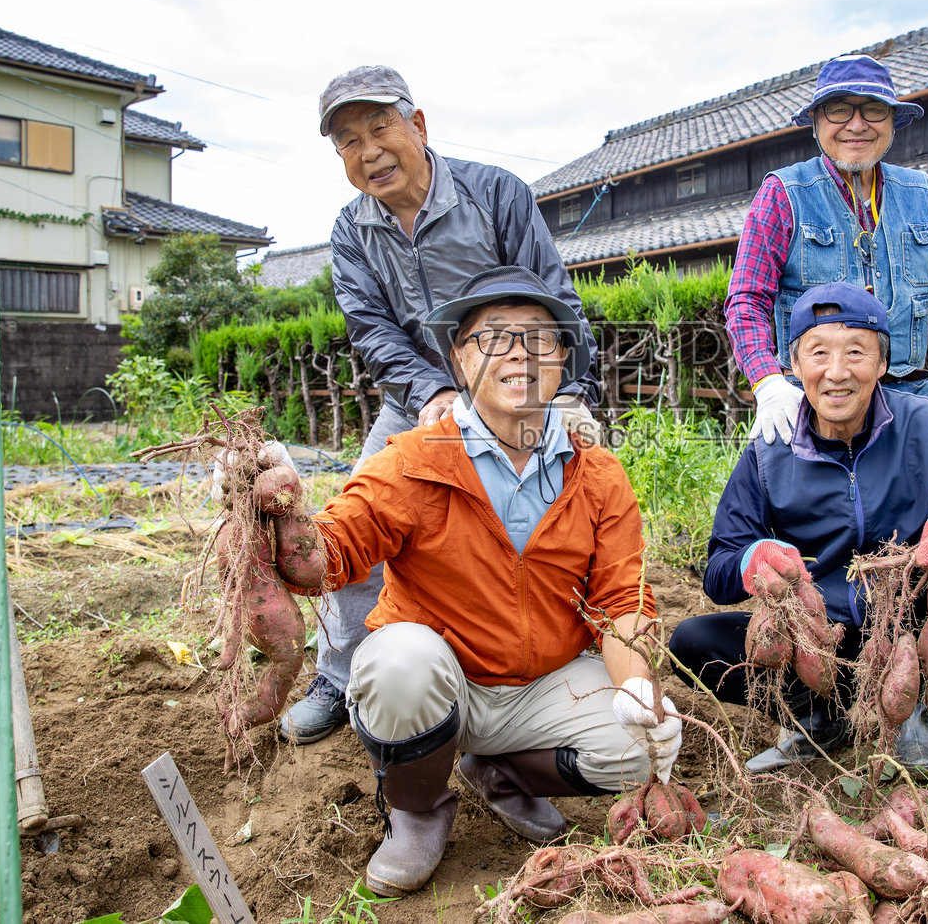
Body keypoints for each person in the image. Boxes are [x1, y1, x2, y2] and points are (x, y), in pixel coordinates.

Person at [244, 266, 680, 896]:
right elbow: (329, 554)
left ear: (564, 359)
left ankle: (497, 771)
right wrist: (278, 515)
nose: (519, 355)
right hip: (440, 682)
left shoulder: (599, 474)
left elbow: (621, 600)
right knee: (397, 661)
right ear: (459, 358)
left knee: (644, 742)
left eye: (540, 339)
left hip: (542, 685)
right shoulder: (414, 459)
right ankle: (417, 809)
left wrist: (638, 690)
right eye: (493, 338)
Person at [284, 65, 601, 746]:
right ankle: (339, 675)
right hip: (419, 398)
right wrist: (431, 392)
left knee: (569, 517)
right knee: (360, 515)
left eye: (379, 128)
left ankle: (571, 668)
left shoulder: (495, 195)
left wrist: (571, 394)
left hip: (521, 390)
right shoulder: (351, 232)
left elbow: (553, 296)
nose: (367, 151)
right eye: (346, 141)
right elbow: (371, 329)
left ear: (418, 126)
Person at [724, 52, 928, 649]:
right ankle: (819, 640)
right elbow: (745, 299)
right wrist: (769, 381)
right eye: (839, 109)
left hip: (911, 389)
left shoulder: (924, 194)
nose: (856, 124)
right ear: (817, 120)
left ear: (893, 122)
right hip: (823, 393)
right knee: (802, 516)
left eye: (873, 110)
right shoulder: (783, 195)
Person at [671, 283, 928, 772]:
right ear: (795, 368)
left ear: (882, 365)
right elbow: (718, 569)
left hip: (909, 626)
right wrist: (751, 559)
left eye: (856, 353)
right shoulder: (767, 451)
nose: (837, 373)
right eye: (818, 353)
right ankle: (818, 715)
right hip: (818, 639)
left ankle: (914, 707)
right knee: (692, 642)